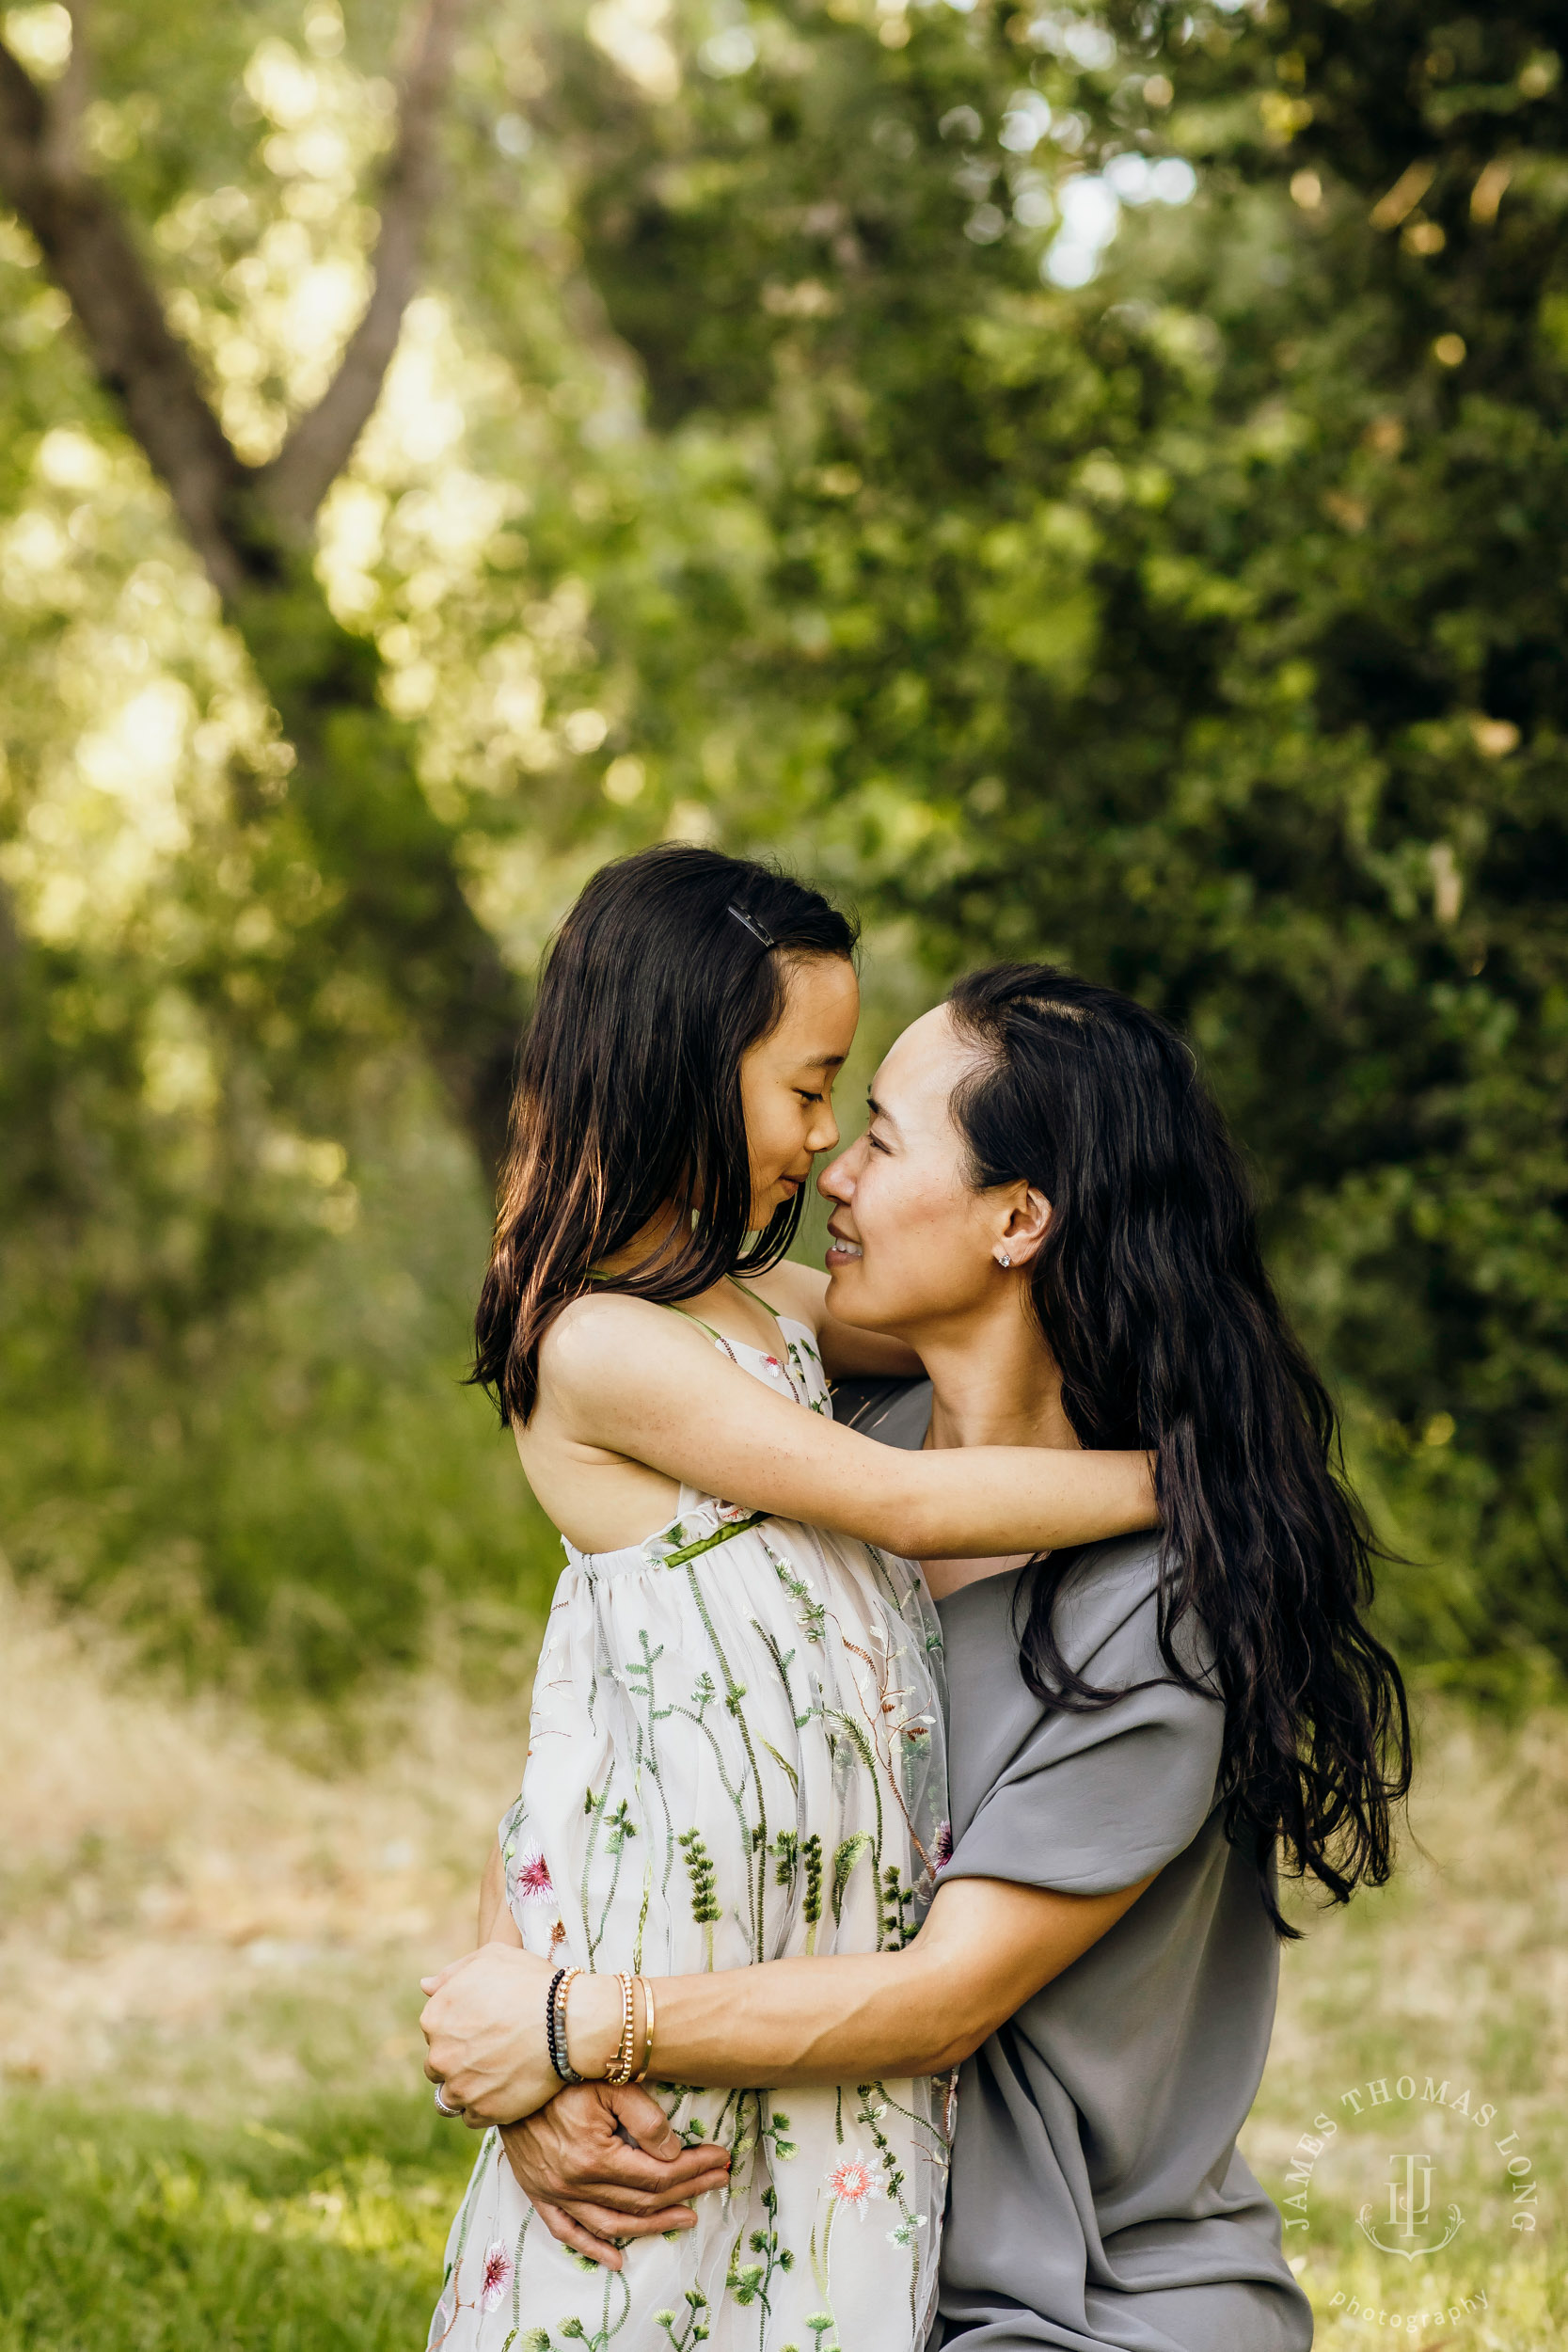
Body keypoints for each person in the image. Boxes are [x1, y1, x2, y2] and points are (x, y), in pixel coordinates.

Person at [423, 962, 1414, 2352]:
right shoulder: (838, 1451)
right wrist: (530, 2058)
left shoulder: (1163, 1607)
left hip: (1067, 2305)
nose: (832, 1167)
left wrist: (581, 2027)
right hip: (808, 2257)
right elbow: (609, 1741)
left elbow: (940, 2000)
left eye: (881, 1135)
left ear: (1018, 1218)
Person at [424, 851, 1158, 2352]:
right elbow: (898, 1501)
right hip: (673, 2030)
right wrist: (1201, 1486)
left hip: (815, 2030)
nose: (828, 1150)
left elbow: (991, 1323)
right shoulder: (601, 1350)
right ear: (683, 1074)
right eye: (812, 1089)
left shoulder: (767, 1313)